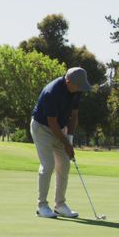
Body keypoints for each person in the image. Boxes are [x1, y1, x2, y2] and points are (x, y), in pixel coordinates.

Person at [30, 67, 92, 219]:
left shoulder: (76, 90)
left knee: (64, 165)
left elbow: (74, 116)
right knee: (48, 165)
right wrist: (66, 144)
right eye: (78, 86)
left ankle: (60, 205)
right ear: (68, 81)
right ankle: (42, 206)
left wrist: (69, 138)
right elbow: (52, 123)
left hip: (60, 127)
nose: (80, 89)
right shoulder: (52, 92)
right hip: (42, 128)